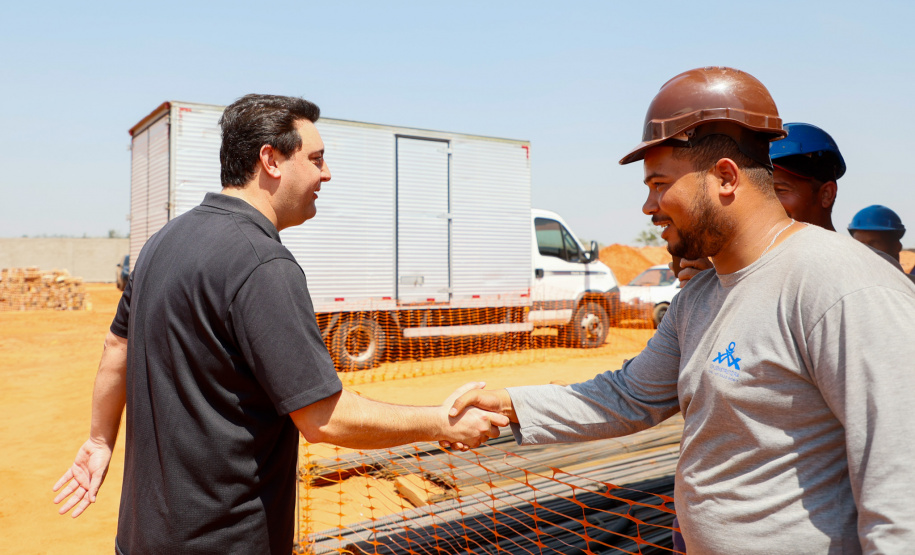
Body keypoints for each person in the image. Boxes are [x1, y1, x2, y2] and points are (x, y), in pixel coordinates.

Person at [446, 67, 915, 553]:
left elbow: (902, 491)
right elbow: (628, 396)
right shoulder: (701, 296)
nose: (649, 207)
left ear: (725, 178)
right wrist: (506, 405)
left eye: (659, 184)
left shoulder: (841, 286)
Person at [52, 94, 508, 555]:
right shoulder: (262, 263)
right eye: (315, 159)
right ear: (270, 160)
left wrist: (98, 439)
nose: (325, 174)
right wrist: (440, 424)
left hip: (139, 540)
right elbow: (323, 418)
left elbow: (116, 348)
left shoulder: (161, 243)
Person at [675, 120, 903, 282]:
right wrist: (710, 291)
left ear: (826, 195)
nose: (766, 202)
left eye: (780, 190)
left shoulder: (868, 272)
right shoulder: (754, 269)